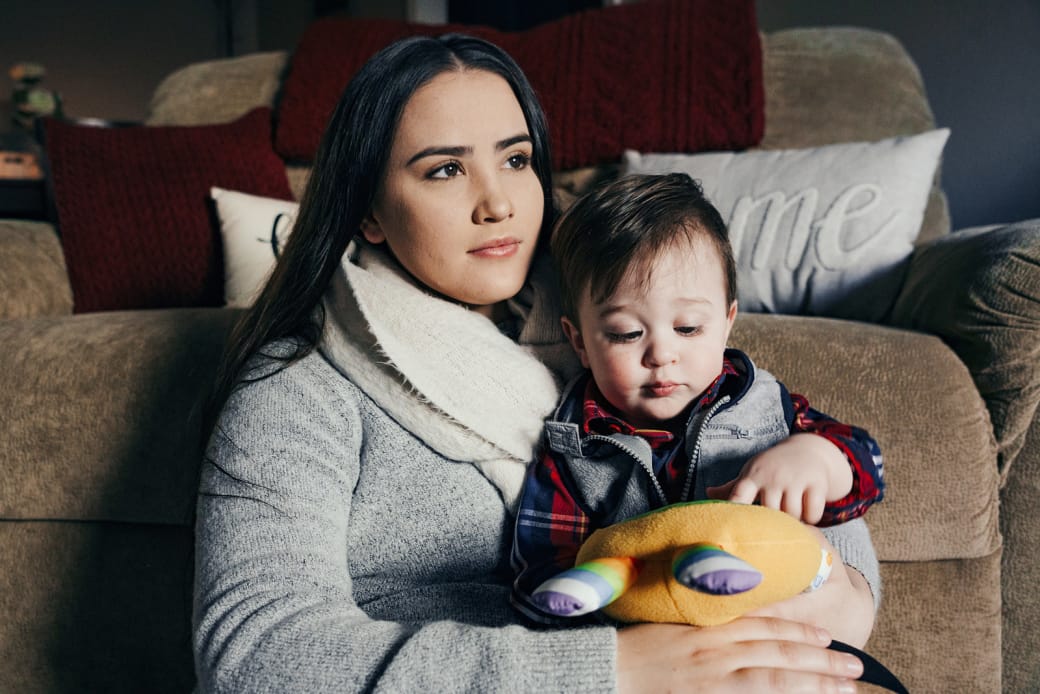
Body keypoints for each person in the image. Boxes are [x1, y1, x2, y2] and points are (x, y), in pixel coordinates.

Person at [193, 33, 874, 692]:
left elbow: (784, 472)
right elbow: (257, 656)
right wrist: (616, 673)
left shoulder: (631, 308)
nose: (498, 204)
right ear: (368, 210)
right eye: (446, 169)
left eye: (517, 160)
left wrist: (832, 589)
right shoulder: (298, 383)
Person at [511, 173, 884, 622]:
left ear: (727, 323)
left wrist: (818, 457)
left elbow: (867, 466)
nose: (662, 355)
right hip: (658, 636)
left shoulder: (761, 405)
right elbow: (543, 568)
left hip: (774, 610)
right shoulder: (573, 447)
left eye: (688, 328)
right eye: (625, 333)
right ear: (580, 343)